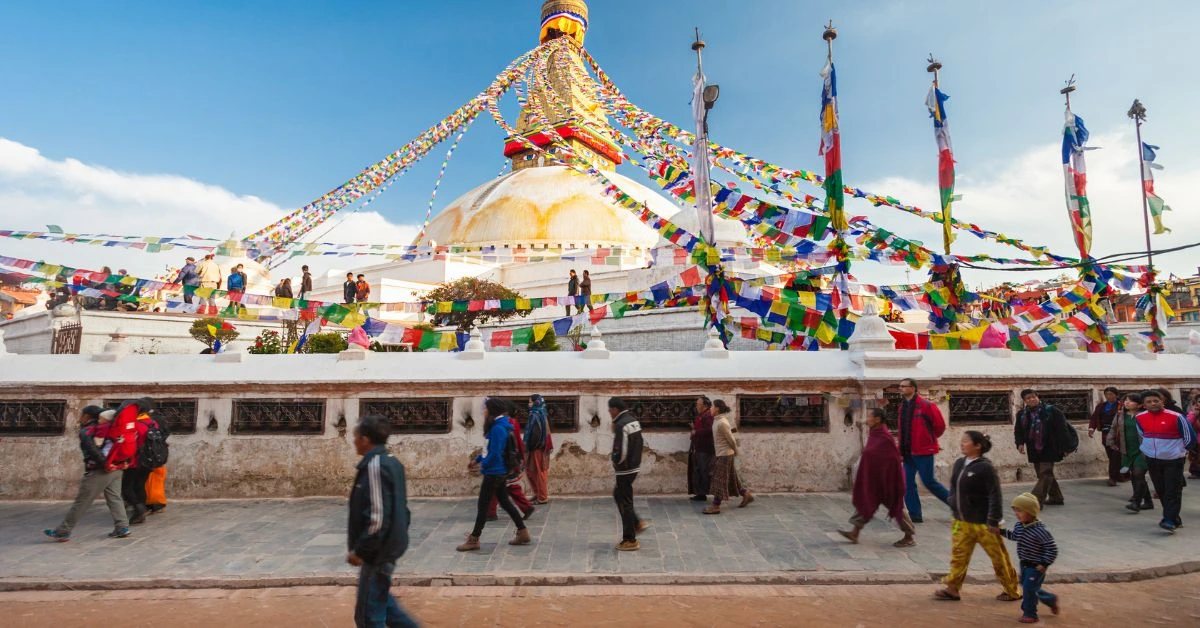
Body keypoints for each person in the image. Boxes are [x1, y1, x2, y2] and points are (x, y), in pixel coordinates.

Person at [346, 415, 418, 628]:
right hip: (387, 546)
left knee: (369, 617)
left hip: (378, 551)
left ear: (365, 439)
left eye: (356, 437)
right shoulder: (391, 461)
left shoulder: (376, 466)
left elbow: (378, 517)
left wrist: (361, 550)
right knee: (385, 606)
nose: (354, 441)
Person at [934, 431, 1020, 602]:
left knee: (998, 558)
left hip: (984, 524)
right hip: (961, 522)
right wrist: (952, 502)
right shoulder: (959, 463)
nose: (962, 444)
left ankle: (1012, 590)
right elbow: (953, 487)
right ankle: (952, 589)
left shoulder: (985, 467)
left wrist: (993, 519)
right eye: (961, 441)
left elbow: (995, 494)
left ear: (977, 446)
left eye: (965, 441)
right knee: (959, 557)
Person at [43, 407, 131, 541]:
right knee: (115, 498)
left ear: (88, 416)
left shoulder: (89, 431)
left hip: (100, 470)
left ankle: (63, 531)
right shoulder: (110, 428)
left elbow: (93, 450)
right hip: (117, 467)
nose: (80, 418)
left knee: (82, 501)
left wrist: (105, 464)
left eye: (82, 415)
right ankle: (122, 527)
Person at [457, 398, 530, 551]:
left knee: (483, 506)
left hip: (494, 472)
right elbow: (488, 449)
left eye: (485, 409)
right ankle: (522, 531)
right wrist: (477, 460)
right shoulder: (499, 425)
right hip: (499, 470)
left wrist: (484, 466)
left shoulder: (498, 428)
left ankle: (474, 539)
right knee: (504, 502)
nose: (483, 412)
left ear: (491, 411)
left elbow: (495, 453)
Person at [838, 407, 915, 547]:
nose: (867, 419)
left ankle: (909, 536)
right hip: (875, 480)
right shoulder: (875, 434)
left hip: (888, 481)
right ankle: (854, 533)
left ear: (877, 419)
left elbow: (893, 460)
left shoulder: (885, 438)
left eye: (869, 417)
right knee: (866, 503)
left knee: (897, 508)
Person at [1135, 389, 1193, 533]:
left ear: (1162, 401)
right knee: (1161, 490)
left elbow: (1189, 437)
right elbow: (1142, 434)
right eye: (1149, 402)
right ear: (1143, 404)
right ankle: (1174, 518)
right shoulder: (1140, 417)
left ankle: (1168, 520)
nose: (1153, 403)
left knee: (1172, 490)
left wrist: (1180, 451)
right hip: (1152, 459)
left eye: (1156, 400)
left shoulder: (1176, 416)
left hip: (1173, 460)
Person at [999, 493, 1060, 623]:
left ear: (1031, 512)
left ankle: (1030, 614)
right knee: (1030, 587)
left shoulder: (1041, 531)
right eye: (1015, 510)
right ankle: (1050, 599)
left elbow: (1052, 549)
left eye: (1019, 510)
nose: (1016, 513)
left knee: (1028, 589)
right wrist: (1000, 532)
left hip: (1036, 566)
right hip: (1024, 564)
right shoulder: (1019, 526)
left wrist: (1044, 564)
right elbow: (1014, 536)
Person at [895, 378, 949, 523]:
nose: (900, 389)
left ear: (913, 388)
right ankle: (915, 514)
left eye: (903, 386)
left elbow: (940, 426)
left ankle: (957, 505)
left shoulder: (926, 405)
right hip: (907, 451)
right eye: (899, 386)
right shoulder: (902, 407)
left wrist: (927, 439)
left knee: (929, 482)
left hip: (923, 451)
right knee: (907, 483)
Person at [1013, 389, 1070, 506]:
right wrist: (1019, 443)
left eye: (1033, 397)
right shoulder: (1022, 414)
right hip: (1033, 448)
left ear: (1037, 397)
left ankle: (1034, 501)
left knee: (1045, 472)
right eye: (1028, 398)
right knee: (1043, 474)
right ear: (1024, 401)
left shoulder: (1051, 411)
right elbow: (1018, 430)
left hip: (1050, 447)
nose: (1031, 400)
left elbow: (1062, 430)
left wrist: (1065, 447)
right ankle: (1056, 497)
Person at [610, 397, 648, 551]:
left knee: (625, 502)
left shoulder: (621, 424)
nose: (609, 413)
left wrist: (615, 460)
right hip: (634, 466)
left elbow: (621, 450)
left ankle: (630, 539)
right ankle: (637, 522)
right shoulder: (633, 420)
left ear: (615, 409)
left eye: (610, 410)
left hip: (625, 469)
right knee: (619, 495)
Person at [704, 399, 754, 514]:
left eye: (712, 407)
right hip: (722, 453)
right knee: (731, 478)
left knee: (719, 479)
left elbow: (731, 439)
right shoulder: (717, 421)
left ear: (717, 409)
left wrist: (735, 450)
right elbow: (724, 434)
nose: (710, 409)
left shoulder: (722, 422)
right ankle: (746, 494)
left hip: (725, 454)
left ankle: (716, 505)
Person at [486, 409, 535, 521]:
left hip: (503, 460)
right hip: (510, 460)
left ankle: (490, 512)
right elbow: (518, 441)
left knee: (494, 486)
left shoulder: (498, 424)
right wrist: (521, 457)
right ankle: (525, 507)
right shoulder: (511, 422)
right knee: (508, 487)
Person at [1107, 393, 1153, 513]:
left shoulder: (1145, 416)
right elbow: (1113, 428)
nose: (1127, 403)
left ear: (1139, 405)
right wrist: (1110, 441)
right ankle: (1148, 501)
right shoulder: (1120, 415)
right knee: (1136, 476)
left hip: (1143, 450)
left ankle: (1136, 502)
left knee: (1138, 474)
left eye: (1131, 401)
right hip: (1127, 450)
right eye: (1126, 400)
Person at [116, 399, 159, 525]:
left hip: (135, 461)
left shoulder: (135, 425)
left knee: (126, 488)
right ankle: (140, 511)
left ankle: (138, 509)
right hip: (150, 460)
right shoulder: (152, 423)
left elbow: (130, 443)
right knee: (140, 485)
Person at [1088, 386, 1124, 486]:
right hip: (1105, 433)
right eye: (1107, 394)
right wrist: (1091, 428)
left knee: (1115, 455)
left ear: (1116, 395)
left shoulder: (1122, 406)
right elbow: (1094, 418)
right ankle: (1120, 475)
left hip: (1118, 434)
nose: (1109, 396)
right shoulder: (1101, 406)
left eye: (1111, 394)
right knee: (1111, 455)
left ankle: (1112, 478)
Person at [524, 394, 554, 505]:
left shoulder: (535, 415)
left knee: (539, 472)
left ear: (536, 402)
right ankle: (538, 494)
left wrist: (530, 447)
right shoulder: (542, 412)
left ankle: (542, 497)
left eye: (530, 402)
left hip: (538, 448)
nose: (529, 404)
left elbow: (536, 434)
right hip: (540, 447)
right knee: (532, 471)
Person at [687, 396, 716, 502]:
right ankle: (700, 494)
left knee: (704, 471)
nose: (696, 406)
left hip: (705, 449)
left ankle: (705, 493)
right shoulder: (701, 416)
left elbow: (710, 430)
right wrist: (694, 429)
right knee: (698, 471)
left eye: (698, 404)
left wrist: (696, 432)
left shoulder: (708, 416)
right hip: (698, 448)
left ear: (704, 405)